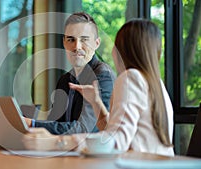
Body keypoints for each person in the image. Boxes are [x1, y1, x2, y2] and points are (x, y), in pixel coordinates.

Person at [23, 19, 175, 156]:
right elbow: (114, 131)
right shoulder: (154, 83)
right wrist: (96, 104)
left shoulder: (131, 78)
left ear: (121, 51)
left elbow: (118, 142)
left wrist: (56, 142)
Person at [24, 12, 115, 135]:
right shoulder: (64, 80)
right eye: (71, 39)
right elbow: (55, 123)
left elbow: (84, 129)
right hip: (66, 151)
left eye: (84, 40)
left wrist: (32, 124)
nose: (76, 46)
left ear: (96, 43)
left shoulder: (103, 76)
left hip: (93, 152)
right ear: (64, 43)